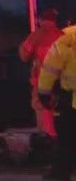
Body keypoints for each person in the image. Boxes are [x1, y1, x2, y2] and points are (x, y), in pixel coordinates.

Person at [35, 23, 76, 181]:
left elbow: (50, 69)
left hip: (71, 100)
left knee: (67, 136)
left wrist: (44, 94)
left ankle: (61, 171)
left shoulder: (67, 39)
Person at [18, 8, 61, 139]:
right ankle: (58, 138)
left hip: (41, 81)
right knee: (57, 111)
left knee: (41, 110)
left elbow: (24, 56)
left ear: (41, 20)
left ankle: (45, 139)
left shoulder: (36, 36)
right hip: (60, 82)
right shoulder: (62, 36)